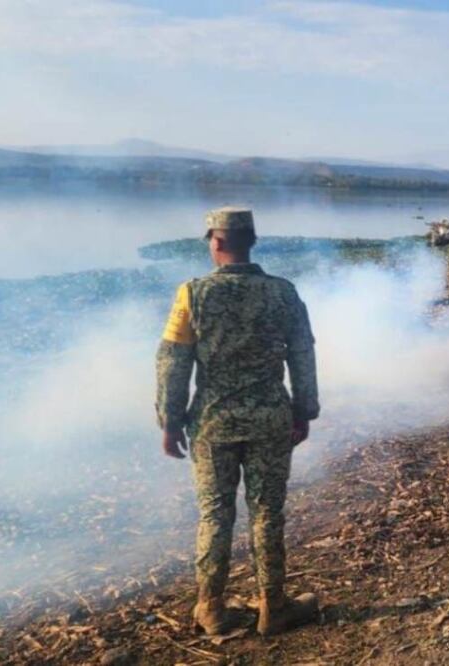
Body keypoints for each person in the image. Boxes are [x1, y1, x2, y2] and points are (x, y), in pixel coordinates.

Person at [155, 207, 321, 636]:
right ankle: (273, 608)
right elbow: (302, 354)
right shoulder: (283, 293)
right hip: (270, 420)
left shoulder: (192, 294)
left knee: (215, 516)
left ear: (217, 241)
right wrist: (304, 410)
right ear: (252, 240)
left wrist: (170, 422)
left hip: (212, 425)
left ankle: (210, 609)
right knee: (268, 513)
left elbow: (173, 364)